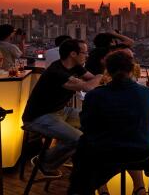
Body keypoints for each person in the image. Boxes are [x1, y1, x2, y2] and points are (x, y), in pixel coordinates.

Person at [68, 50, 149, 195]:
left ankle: (101, 189)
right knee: (129, 138)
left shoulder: (95, 95)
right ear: (132, 69)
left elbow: (87, 126)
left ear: (107, 70)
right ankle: (140, 188)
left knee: (83, 150)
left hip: (106, 153)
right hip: (141, 151)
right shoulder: (145, 92)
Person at [22, 39, 101, 177]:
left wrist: (99, 78)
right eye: (84, 52)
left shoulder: (75, 66)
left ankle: (81, 160)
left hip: (60, 111)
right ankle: (45, 162)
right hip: (38, 117)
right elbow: (89, 86)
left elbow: (91, 79)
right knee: (78, 139)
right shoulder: (56, 71)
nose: (87, 55)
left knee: (95, 121)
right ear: (73, 54)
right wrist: (101, 75)